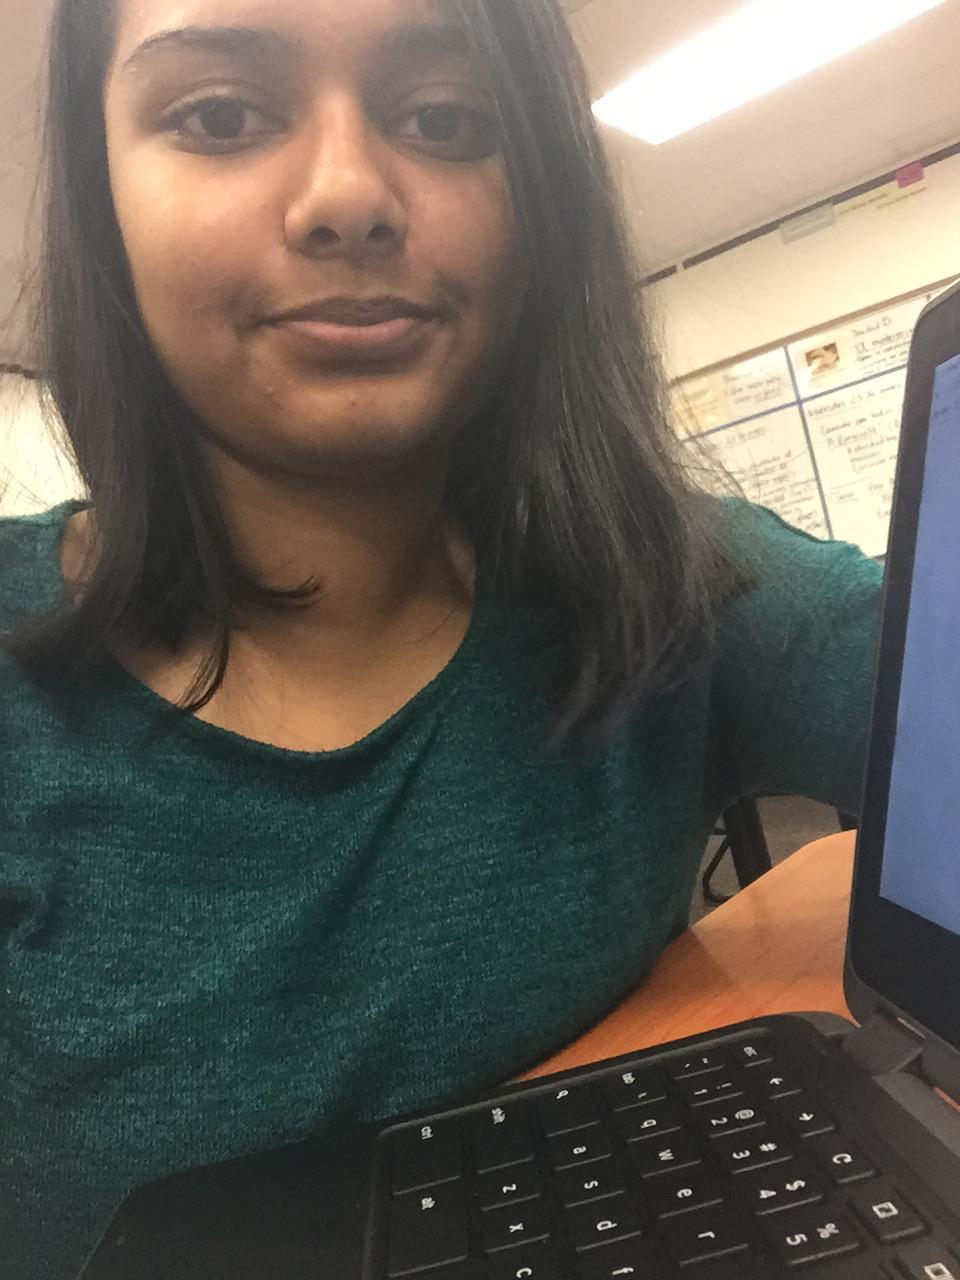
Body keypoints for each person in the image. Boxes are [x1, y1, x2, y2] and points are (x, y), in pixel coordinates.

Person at [0, 0, 883, 1275]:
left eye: (447, 119)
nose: (350, 196)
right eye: (222, 116)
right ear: (100, 199)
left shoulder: (661, 578)